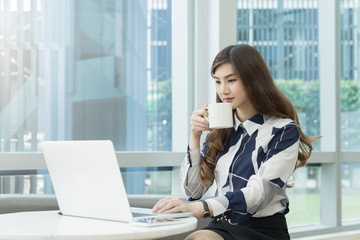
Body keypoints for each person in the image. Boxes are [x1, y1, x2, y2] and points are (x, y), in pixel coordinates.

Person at [152, 44, 320, 240]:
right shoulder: (221, 129)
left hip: (262, 231)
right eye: (217, 82)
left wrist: (201, 208)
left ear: (253, 80)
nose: (223, 90)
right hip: (222, 224)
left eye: (231, 80)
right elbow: (193, 191)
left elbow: (260, 193)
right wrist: (195, 138)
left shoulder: (284, 130)